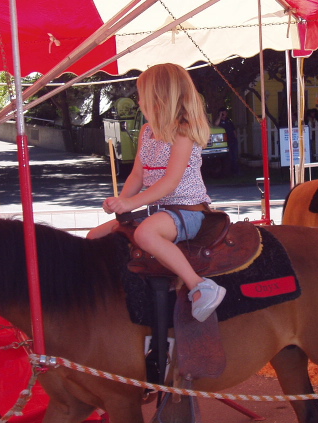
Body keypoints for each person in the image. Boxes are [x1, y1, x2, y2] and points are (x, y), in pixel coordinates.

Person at [87, 63, 225, 322]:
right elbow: (137, 176)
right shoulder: (147, 132)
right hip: (159, 211)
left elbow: (170, 182)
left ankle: (199, 285)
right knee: (95, 236)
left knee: (145, 234)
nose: (139, 102)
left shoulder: (183, 133)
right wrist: (121, 201)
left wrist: (131, 204)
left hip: (187, 210)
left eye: (143, 96)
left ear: (160, 99)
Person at [214, 107, 240, 176]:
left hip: (233, 141)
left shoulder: (229, 120)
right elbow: (216, 124)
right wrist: (220, 116)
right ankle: (229, 172)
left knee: (235, 157)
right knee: (229, 157)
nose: (225, 114)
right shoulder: (219, 121)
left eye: (225, 112)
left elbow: (233, 129)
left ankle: (236, 171)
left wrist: (235, 138)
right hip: (225, 142)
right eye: (223, 112)